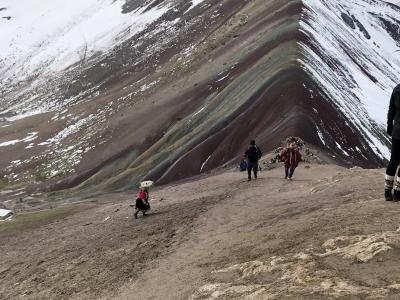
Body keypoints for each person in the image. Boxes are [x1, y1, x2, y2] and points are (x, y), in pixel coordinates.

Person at [385, 83, 400, 201]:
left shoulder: (396, 89)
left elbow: (391, 110)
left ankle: (387, 191)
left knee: (394, 160)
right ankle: (398, 193)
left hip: (397, 132)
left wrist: (390, 127)